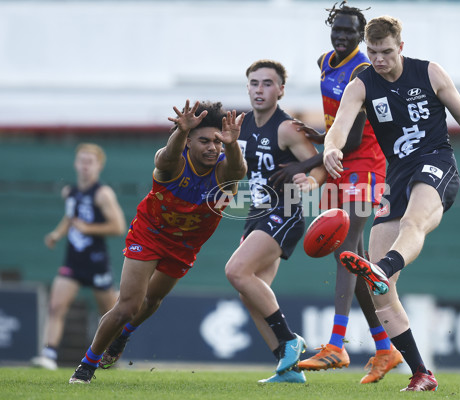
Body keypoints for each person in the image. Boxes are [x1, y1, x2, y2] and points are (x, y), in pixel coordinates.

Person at [323, 16, 460, 391]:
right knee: (384, 292)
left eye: (386, 52)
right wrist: (331, 147)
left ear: (401, 47)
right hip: (397, 175)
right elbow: (341, 124)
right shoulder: (361, 83)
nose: (379, 59)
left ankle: (384, 266)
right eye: (373, 52)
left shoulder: (429, 73)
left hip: (436, 164)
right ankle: (422, 373)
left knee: (412, 225)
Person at [69, 100, 246, 384]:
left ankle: (123, 336)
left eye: (217, 141)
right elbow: (165, 157)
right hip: (150, 234)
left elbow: (238, 170)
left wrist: (233, 144)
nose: (213, 147)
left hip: (186, 246)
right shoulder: (172, 164)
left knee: (153, 300)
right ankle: (86, 366)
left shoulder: (228, 169)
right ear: (188, 141)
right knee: (128, 305)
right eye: (204, 140)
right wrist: (179, 131)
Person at [288, 1, 403, 384]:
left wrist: (306, 164)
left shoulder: (362, 69)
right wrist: (322, 137)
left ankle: (337, 345)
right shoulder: (325, 61)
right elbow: (339, 122)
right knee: (352, 258)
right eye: (337, 30)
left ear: (361, 34)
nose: (342, 37)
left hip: (366, 163)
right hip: (339, 162)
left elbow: (353, 134)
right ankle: (385, 348)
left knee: (349, 251)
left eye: (350, 32)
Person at [224, 59, 326, 384]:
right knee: (250, 291)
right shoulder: (242, 125)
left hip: (284, 211)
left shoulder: (286, 127)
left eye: (267, 83)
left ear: (280, 90)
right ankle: (288, 369)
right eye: (254, 83)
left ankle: (290, 340)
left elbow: (321, 161)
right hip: (256, 213)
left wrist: (312, 182)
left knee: (236, 271)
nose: (259, 89)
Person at [32, 143, 126, 371]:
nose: (85, 166)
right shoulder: (70, 192)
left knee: (111, 314)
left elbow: (118, 226)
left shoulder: (103, 194)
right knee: (56, 306)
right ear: (76, 164)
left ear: (98, 166)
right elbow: (70, 218)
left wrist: (88, 228)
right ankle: (49, 355)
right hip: (73, 261)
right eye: (82, 161)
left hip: (96, 263)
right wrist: (57, 233)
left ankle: (111, 356)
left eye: (89, 162)